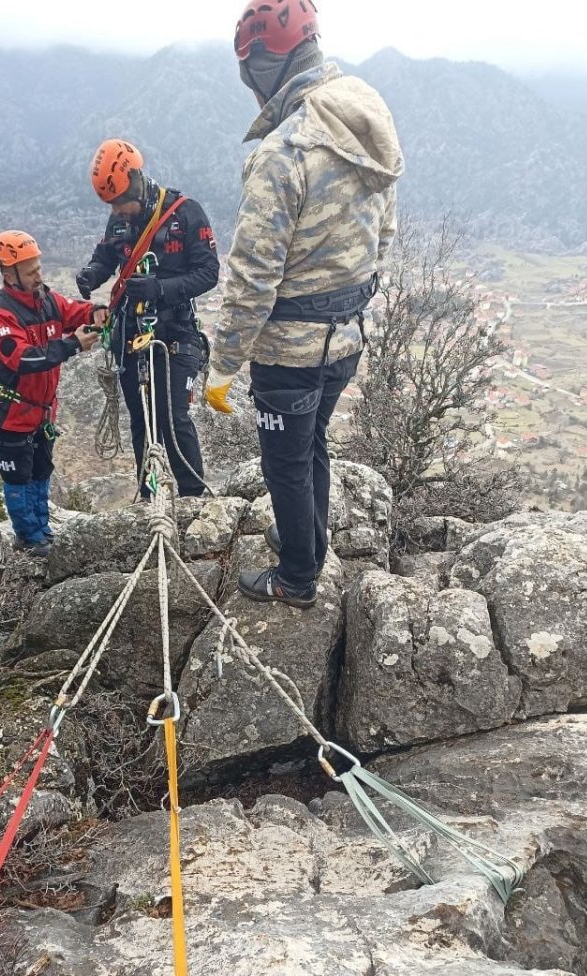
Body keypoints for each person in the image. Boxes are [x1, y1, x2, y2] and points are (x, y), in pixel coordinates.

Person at [205, 0, 404, 608]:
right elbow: (384, 233)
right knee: (311, 440)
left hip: (289, 349)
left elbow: (252, 277)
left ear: (264, 62)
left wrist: (223, 365)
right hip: (345, 336)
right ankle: (307, 540)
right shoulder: (362, 123)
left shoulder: (284, 152)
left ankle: (297, 576)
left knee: (287, 461)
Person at [76, 139, 219, 498]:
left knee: (173, 418)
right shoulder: (119, 219)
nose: (119, 210)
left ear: (138, 181)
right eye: (113, 205)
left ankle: (192, 496)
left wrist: (160, 289)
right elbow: (107, 254)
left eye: (122, 201)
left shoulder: (186, 214)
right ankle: (148, 494)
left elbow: (208, 273)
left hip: (175, 331)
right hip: (130, 332)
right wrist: (93, 273)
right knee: (140, 419)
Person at [0, 230, 107, 556]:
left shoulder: (45, 300)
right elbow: (22, 359)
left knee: (41, 471)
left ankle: (42, 530)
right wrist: (72, 344)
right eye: (31, 270)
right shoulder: (0, 315)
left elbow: (71, 311)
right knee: (18, 479)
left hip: (41, 412)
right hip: (11, 414)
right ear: (10, 274)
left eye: (39, 268)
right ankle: (29, 539)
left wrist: (95, 313)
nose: (39, 275)